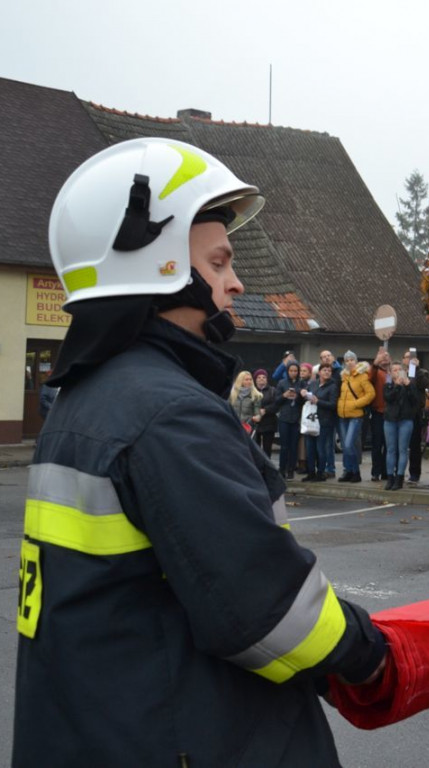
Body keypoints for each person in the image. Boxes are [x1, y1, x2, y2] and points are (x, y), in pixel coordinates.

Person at [14, 137, 385, 767]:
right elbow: (267, 611)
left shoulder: (91, 396)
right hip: (183, 736)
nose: (236, 283)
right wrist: (373, 657)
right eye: (218, 264)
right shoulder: (170, 414)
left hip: (101, 726)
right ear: (158, 266)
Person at [336, 350, 375, 483]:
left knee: (348, 444)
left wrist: (355, 404)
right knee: (346, 446)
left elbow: (370, 394)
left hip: (355, 415)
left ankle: (356, 472)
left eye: (352, 360)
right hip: (342, 415)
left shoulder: (362, 376)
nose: (349, 362)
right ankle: (349, 471)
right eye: (347, 360)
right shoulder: (344, 377)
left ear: (356, 361)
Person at [383, 361, 419, 490]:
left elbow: (416, 400)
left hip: (405, 420)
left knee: (403, 449)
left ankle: (399, 478)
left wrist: (408, 386)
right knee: (391, 449)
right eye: (394, 370)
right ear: (390, 373)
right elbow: (388, 398)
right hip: (390, 420)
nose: (397, 372)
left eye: (400, 369)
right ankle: (390, 478)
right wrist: (397, 386)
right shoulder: (388, 385)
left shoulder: (410, 385)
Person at [302, 362, 339, 482]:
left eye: (329, 371)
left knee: (320, 449)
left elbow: (333, 405)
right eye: (325, 370)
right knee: (309, 448)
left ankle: (321, 473)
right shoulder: (313, 384)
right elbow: (307, 394)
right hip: (311, 420)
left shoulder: (333, 386)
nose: (327, 372)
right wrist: (303, 393)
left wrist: (318, 401)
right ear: (319, 372)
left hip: (324, 421)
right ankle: (311, 472)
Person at [400, 348, 429, 486]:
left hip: (415, 414)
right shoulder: (400, 373)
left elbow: (426, 384)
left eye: (411, 357)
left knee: (414, 446)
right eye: (406, 357)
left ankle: (414, 474)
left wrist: (417, 368)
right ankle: (397, 472)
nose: (409, 359)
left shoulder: (421, 373)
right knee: (400, 446)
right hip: (400, 413)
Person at [272, 361, 303, 478]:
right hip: (284, 417)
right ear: (287, 371)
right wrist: (284, 395)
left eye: (295, 371)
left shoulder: (301, 383)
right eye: (291, 371)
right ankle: (282, 468)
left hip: (296, 418)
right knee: (284, 445)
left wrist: (298, 396)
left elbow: (304, 400)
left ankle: (291, 469)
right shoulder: (282, 383)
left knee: (293, 446)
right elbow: (276, 400)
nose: (293, 373)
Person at [366, 347, 391, 481]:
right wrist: (375, 363)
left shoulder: (394, 372)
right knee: (377, 444)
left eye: (387, 357)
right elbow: (370, 377)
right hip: (378, 412)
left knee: (389, 445)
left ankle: (387, 471)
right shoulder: (377, 372)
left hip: (392, 414)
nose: (385, 359)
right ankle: (376, 472)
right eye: (383, 357)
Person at [251, 368, 277, 458]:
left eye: (264, 377)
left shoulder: (273, 391)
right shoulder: (251, 391)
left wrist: (265, 410)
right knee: (255, 448)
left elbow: (276, 405)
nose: (261, 379)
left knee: (267, 449)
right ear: (255, 379)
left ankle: (267, 469)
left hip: (269, 423)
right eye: (259, 377)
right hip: (255, 423)